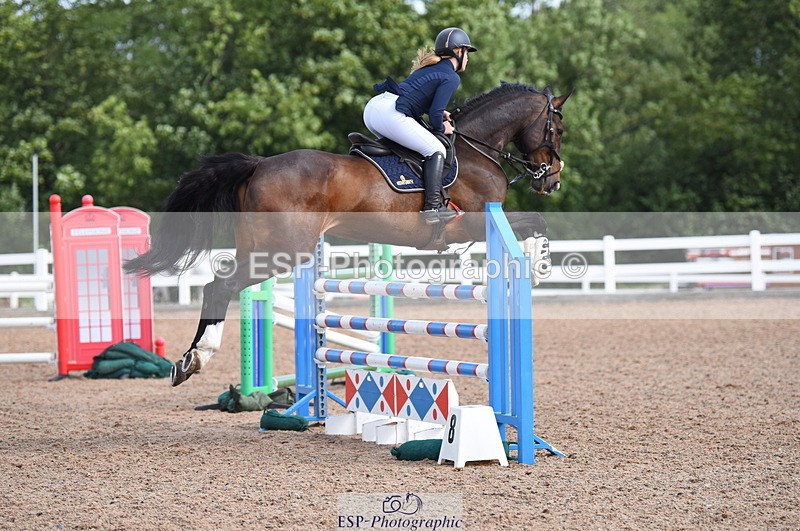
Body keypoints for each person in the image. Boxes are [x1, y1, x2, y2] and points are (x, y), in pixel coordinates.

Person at [364, 27, 477, 225]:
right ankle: (432, 207)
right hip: (391, 113)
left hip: (374, 109)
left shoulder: (431, 68)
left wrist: (439, 114)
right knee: (436, 148)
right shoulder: (451, 76)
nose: (467, 58)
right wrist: (443, 128)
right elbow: (434, 115)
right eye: (467, 53)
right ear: (459, 52)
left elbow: (425, 102)